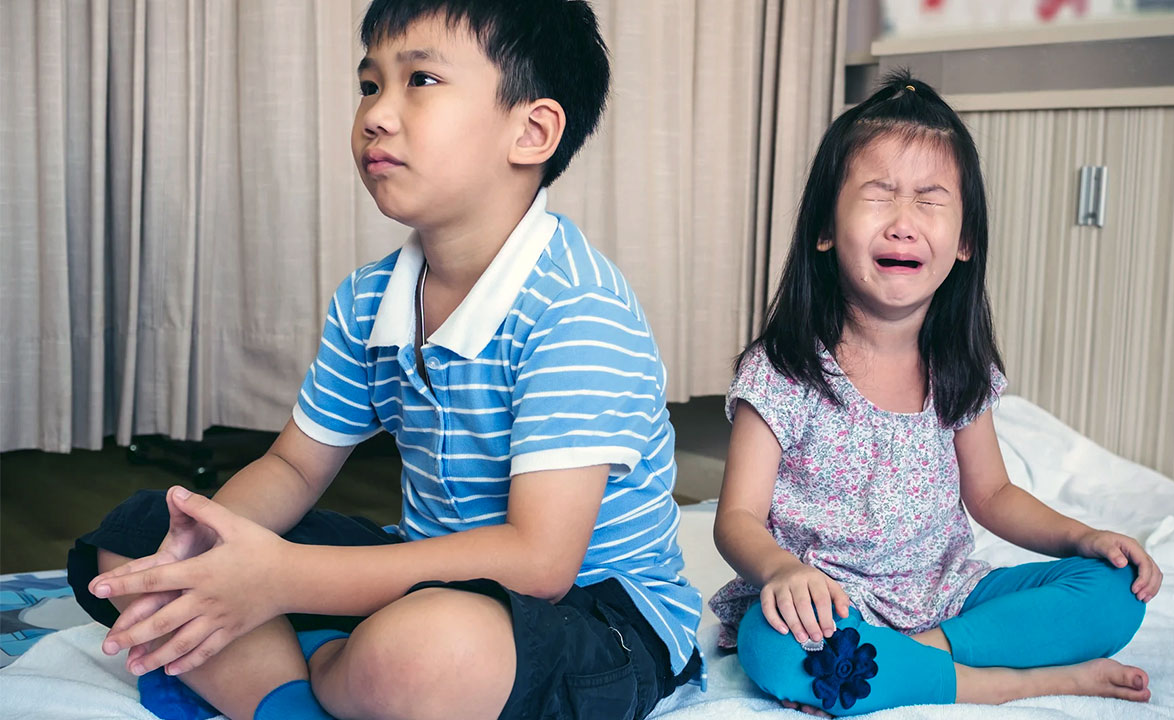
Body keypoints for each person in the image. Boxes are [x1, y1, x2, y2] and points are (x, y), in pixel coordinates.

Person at [66, 2, 701, 718]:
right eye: (370, 85)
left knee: (426, 652)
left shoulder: (575, 308)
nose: (377, 114)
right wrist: (213, 549)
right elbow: (294, 467)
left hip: (594, 615)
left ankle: (323, 662)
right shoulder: (369, 299)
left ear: (531, 131)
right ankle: (297, 701)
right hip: (430, 565)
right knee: (138, 540)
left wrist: (287, 581)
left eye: (420, 80)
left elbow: (539, 563)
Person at [709, 71, 1162, 717]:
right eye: (878, 195)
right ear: (824, 229)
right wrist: (782, 574)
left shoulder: (957, 364)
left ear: (966, 241)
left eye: (929, 199)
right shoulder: (782, 370)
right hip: (827, 605)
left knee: (1115, 592)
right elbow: (738, 520)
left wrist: (1081, 537)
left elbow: (994, 494)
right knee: (773, 647)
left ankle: (901, 662)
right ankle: (1007, 682)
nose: (902, 222)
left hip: (945, 596)